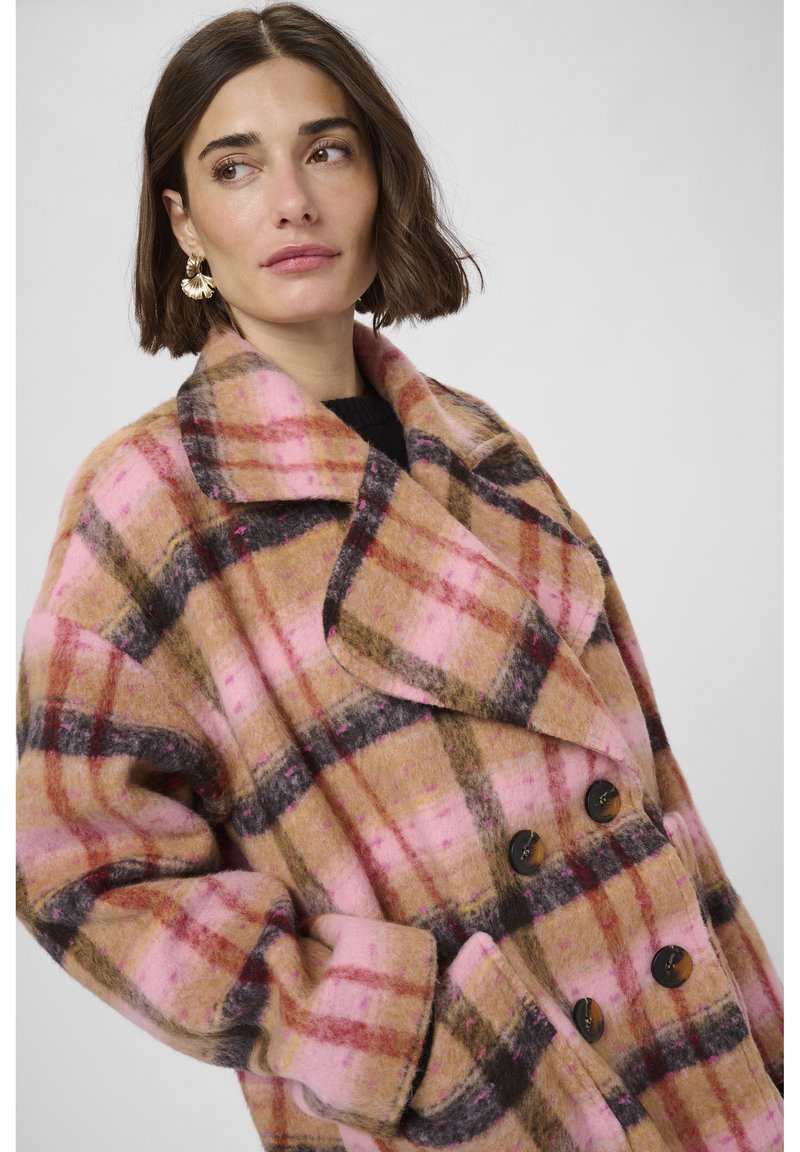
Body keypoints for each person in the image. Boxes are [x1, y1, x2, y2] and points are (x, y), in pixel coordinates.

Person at [16, 4, 783, 1150]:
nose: (292, 201)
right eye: (236, 167)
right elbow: (77, 871)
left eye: (327, 151)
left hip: (678, 1061)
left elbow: (642, 777)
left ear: (379, 180)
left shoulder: (481, 445)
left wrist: (754, 1033)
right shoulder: (151, 502)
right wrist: (389, 1027)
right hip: (471, 1106)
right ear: (183, 222)